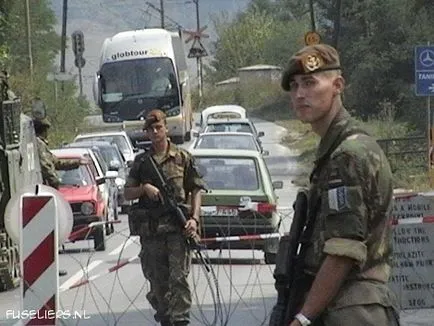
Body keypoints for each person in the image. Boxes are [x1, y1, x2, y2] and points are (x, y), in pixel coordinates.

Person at [280, 44, 400, 326]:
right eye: (294, 86)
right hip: (346, 305)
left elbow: (343, 251)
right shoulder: (336, 149)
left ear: (337, 85)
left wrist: (303, 319)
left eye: (310, 83)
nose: (299, 94)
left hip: (350, 309)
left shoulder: (348, 155)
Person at [124, 109, 205, 326]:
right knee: (158, 283)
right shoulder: (142, 163)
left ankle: (180, 320)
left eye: (158, 127)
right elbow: (127, 193)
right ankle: (166, 317)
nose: (155, 132)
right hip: (152, 233)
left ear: (166, 128)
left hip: (178, 231)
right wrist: (144, 188)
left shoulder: (182, 158)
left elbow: (196, 189)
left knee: (178, 279)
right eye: (150, 129)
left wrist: (194, 219)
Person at [33, 118, 87, 189]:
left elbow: (57, 162)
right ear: (43, 131)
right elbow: (45, 166)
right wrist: (55, 182)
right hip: (44, 187)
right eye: (46, 131)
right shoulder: (39, 144)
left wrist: (77, 162)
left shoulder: (41, 144)